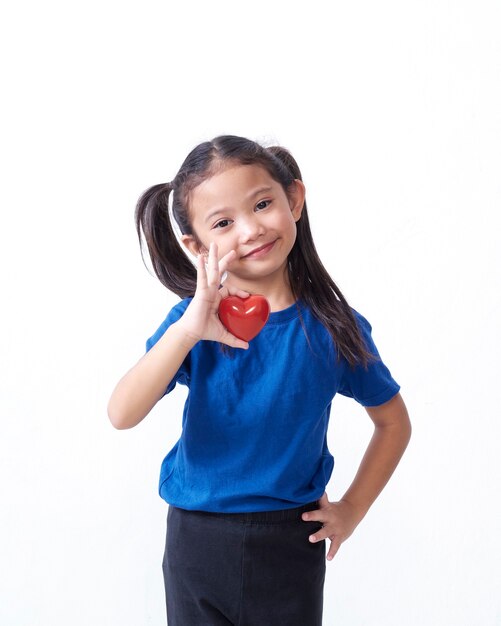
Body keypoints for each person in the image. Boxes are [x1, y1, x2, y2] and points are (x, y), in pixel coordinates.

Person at [107, 135, 412, 626]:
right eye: (223, 222)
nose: (250, 230)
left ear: (294, 200)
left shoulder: (334, 327)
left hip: (290, 541)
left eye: (263, 204)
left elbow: (393, 422)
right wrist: (188, 331)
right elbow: (121, 413)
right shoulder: (191, 322)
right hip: (196, 539)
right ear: (195, 245)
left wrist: (352, 509)